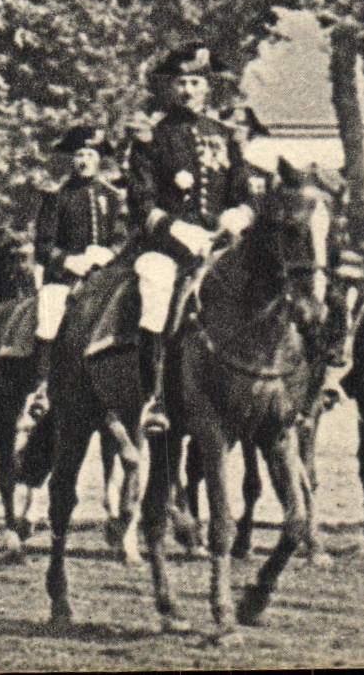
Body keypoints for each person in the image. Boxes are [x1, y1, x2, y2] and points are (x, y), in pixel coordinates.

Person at [126, 44, 255, 435]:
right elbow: (141, 201)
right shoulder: (153, 136)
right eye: (181, 82)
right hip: (168, 248)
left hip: (220, 245)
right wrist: (177, 229)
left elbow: (243, 193)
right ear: (171, 87)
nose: (187, 90)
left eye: (195, 82)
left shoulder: (226, 136)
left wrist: (238, 215)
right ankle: (154, 396)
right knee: (156, 291)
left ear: (208, 87)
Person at [26, 124, 125, 416]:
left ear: (99, 159)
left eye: (90, 155)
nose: (84, 160)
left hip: (104, 275)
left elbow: (121, 236)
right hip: (65, 277)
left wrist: (110, 253)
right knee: (50, 311)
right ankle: (41, 387)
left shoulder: (112, 195)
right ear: (72, 159)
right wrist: (69, 261)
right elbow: (43, 245)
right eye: (79, 154)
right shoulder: (57, 195)